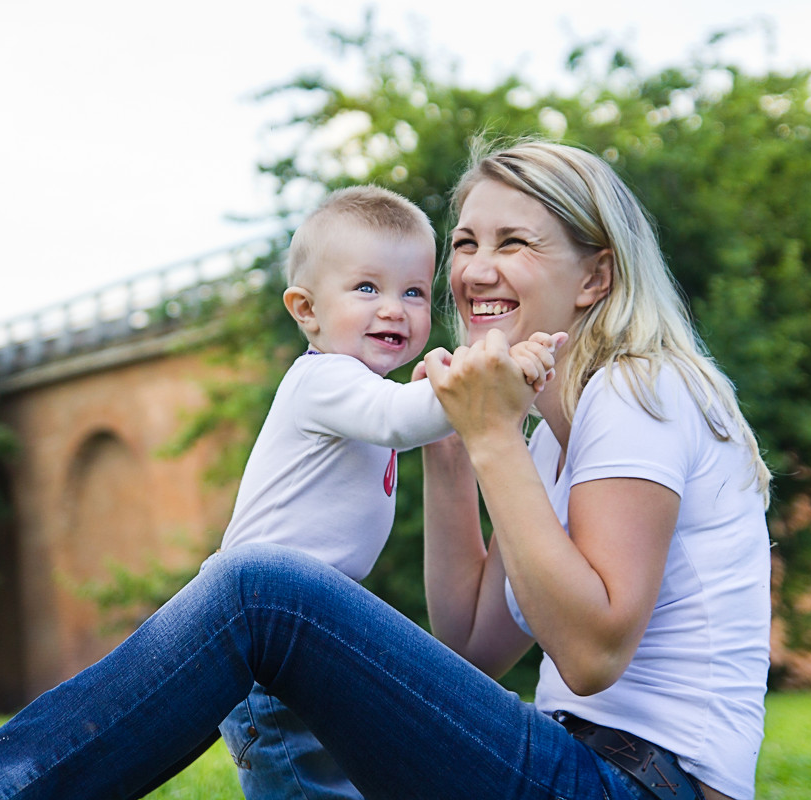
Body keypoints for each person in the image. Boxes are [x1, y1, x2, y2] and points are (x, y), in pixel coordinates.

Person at [0, 139, 771, 800]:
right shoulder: (551, 431)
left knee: (260, 590)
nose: (471, 271)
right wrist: (456, 452)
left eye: (514, 243)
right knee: (263, 592)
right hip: (573, 759)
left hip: (639, 783)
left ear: (594, 279)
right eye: (464, 243)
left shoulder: (638, 388)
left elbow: (590, 653)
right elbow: (471, 644)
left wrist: (494, 438)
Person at [205, 184, 560, 799]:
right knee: (305, 786)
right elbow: (403, 417)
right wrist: (491, 374)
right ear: (306, 310)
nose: (394, 309)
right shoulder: (325, 380)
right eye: (367, 288)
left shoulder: (364, 389)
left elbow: (407, 413)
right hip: (267, 651)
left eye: (414, 292)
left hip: (302, 642)